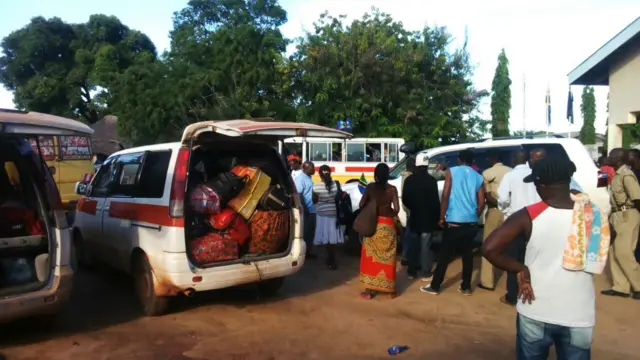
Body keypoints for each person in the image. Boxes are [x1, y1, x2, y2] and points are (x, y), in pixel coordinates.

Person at [482, 155, 609, 360]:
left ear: (541, 184)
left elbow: (489, 248)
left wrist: (519, 268)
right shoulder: (594, 215)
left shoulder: (528, 215)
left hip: (536, 309)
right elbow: (608, 239)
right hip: (578, 314)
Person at [421, 150, 484, 296]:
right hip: (471, 221)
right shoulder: (478, 176)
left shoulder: (452, 171)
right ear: (472, 161)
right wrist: (475, 215)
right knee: (467, 256)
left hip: (454, 220)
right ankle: (466, 287)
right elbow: (482, 201)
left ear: (460, 159)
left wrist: (442, 216)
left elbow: (446, 194)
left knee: (444, 255)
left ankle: (435, 286)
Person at [601, 148, 640, 300]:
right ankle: (620, 287)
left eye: (611, 155)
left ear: (618, 158)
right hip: (616, 214)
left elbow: (637, 198)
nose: (608, 157)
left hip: (627, 214)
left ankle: (638, 285)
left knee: (624, 252)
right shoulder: (615, 173)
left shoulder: (626, 175)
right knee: (614, 252)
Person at [359, 163, 400, 300]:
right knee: (389, 258)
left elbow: (360, 205)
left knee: (371, 258)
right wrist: (388, 212)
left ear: (375, 175)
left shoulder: (370, 188)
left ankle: (369, 291)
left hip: (373, 225)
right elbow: (397, 209)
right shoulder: (392, 189)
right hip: (388, 225)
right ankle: (390, 291)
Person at [478, 150, 512, 291]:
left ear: (493, 158)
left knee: (488, 245)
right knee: (511, 247)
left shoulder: (488, 173)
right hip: (511, 212)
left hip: (495, 211)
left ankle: (487, 281)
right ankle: (512, 284)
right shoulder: (511, 172)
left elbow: (489, 197)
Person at [402, 155, 440, 281]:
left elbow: (405, 199)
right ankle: (425, 272)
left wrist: (413, 208)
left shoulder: (409, 180)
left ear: (416, 166)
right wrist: (436, 218)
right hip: (427, 219)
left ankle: (412, 271)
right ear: (427, 165)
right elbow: (435, 202)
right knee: (425, 246)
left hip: (414, 217)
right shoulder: (432, 181)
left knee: (413, 245)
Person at [312, 165, 344, 270]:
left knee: (326, 238)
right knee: (332, 238)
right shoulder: (336, 185)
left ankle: (330, 259)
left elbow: (314, 201)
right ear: (329, 173)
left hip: (322, 215)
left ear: (320, 174)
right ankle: (331, 258)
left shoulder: (316, 187)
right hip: (333, 214)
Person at [295, 161, 316, 258]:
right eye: (311, 168)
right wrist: (305, 208)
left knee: (310, 233)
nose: (314, 169)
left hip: (312, 210)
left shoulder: (309, 177)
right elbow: (299, 195)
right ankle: (303, 254)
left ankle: (308, 252)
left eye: (313, 167)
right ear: (305, 168)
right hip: (306, 210)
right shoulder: (300, 179)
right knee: (305, 233)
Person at [400, 157, 416, 265]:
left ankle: (406, 255)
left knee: (408, 233)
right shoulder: (410, 178)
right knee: (410, 234)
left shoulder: (405, 177)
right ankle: (406, 256)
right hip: (412, 209)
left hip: (408, 208)